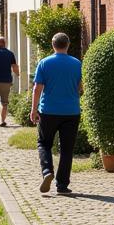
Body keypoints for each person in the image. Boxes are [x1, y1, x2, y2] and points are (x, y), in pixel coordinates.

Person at [30, 32, 83, 195]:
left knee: (44, 144)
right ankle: (62, 185)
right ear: (67, 45)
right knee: (67, 149)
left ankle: (47, 172)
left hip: (49, 111)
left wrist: (34, 109)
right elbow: (80, 88)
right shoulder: (76, 63)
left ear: (53, 45)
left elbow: (37, 89)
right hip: (71, 112)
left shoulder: (44, 63)